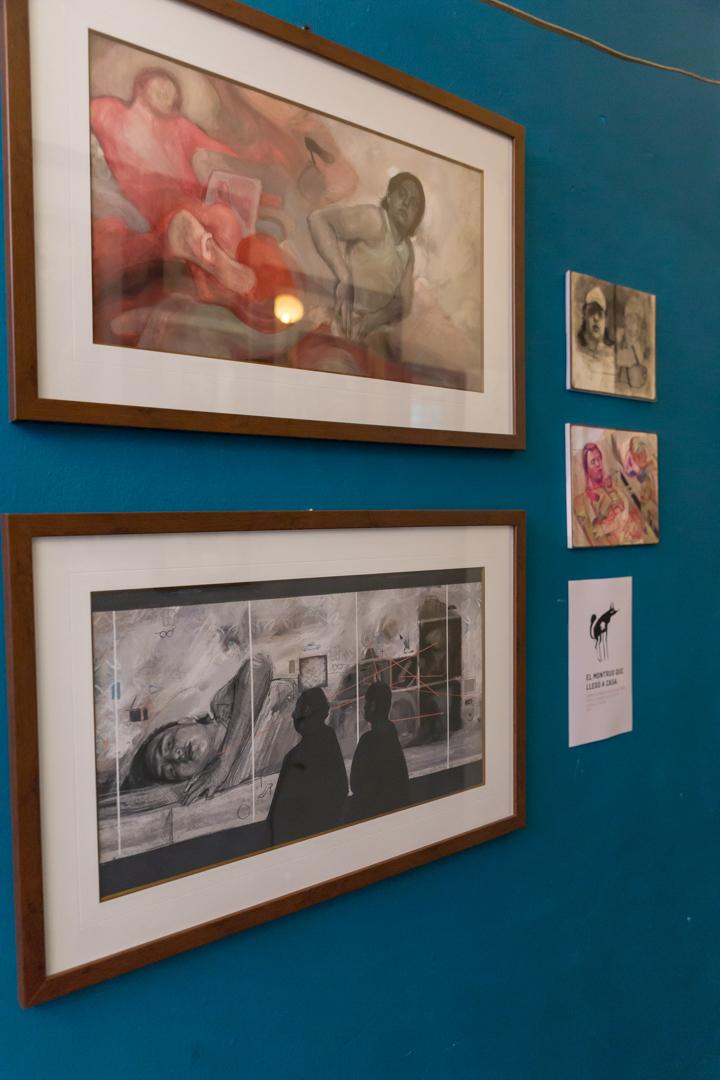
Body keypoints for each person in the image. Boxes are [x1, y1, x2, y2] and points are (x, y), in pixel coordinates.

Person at [121, 654, 272, 803]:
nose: (175, 756)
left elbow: (259, 665)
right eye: (170, 771)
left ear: (186, 721)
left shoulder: (223, 705)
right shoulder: (218, 784)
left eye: (169, 744)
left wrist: (225, 763)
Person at [307, 172, 425, 347]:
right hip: (338, 319)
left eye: (413, 203)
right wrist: (345, 277)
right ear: (390, 197)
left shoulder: (408, 250)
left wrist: (375, 319)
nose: (406, 203)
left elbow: (404, 303)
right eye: (402, 194)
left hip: (367, 333)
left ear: (417, 216)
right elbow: (317, 219)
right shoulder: (375, 220)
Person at [268, 687, 348, 845]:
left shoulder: (296, 757)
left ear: (307, 710)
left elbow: (282, 812)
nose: (293, 714)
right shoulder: (328, 740)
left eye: (297, 708)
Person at [350, 681, 411, 820]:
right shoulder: (391, 736)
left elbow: (355, 783)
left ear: (373, 705)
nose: (364, 707)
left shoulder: (368, 741)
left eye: (366, 703)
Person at [572, 442, 646, 546]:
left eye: (599, 459)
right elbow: (596, 535)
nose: (598, 464)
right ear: (586, 469)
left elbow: (633, 514)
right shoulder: (582, 500)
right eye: (593, 461)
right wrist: (616, 524)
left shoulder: (612, 484)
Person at [574, 284, 616, 392]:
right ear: (584, 315)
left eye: (600, 314)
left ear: (605, 320)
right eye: (591, 312)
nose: (596, 318)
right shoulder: (576, 354)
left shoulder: (612, 356)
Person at [615, 294, 650, 394]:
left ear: (640, 323)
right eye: (629, 318)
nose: (632, 323)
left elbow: (621, 359)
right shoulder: (620, 337)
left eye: (636, 319)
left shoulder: (641, 347)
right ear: (625, 320)